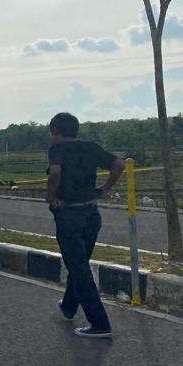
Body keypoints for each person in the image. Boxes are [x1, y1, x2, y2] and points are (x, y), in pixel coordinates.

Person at [46, 112, 125, 339]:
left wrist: (50, 197)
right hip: (91, 213)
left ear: (55, 131)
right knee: (79, 263)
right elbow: (118, 165)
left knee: (79, 268)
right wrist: (104, 189)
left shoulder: (57, 149)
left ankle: (100, 323)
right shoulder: (90, 146)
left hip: (69, 214)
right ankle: (69, 306)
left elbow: (55, 174)